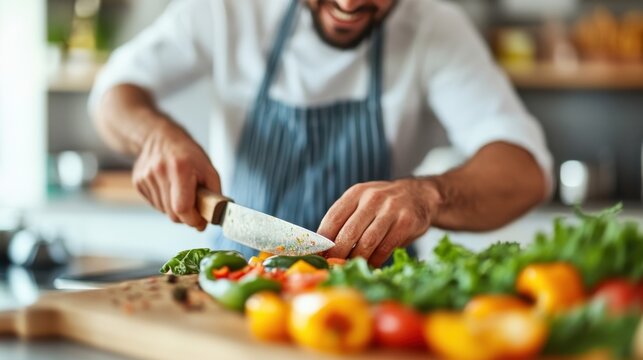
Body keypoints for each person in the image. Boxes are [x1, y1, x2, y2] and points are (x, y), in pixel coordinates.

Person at [89, 0, 552, 266]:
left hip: (372, 303)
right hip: (240, 282)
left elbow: (525, 170)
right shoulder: (226, 8)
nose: (349, 5)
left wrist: (429, 195)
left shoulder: (436, 27)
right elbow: (114, 92)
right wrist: (156, 136)